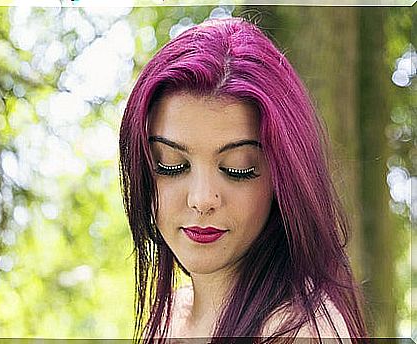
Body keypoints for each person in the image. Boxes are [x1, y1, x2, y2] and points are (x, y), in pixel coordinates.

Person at [119, 17, 368, 343]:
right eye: (172, 165)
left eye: (238, 168)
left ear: (284, 180)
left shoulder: (298, 333)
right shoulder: (171, 317)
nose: (202, 198)